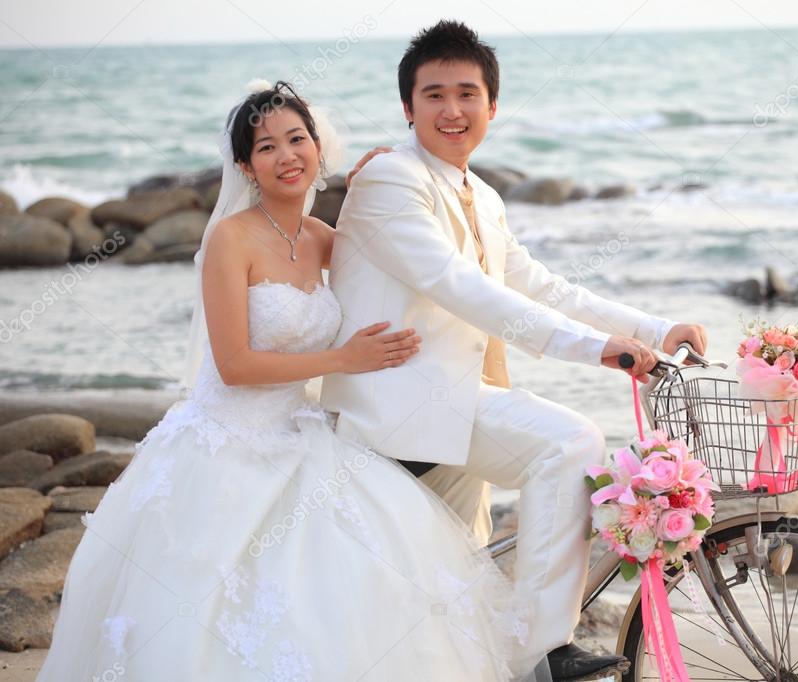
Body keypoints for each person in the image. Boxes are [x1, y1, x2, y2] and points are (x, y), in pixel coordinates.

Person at [37, 81, 547, 682]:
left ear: (317, 149)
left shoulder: (321, 239)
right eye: (267, 146)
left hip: (302, 433)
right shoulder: (231, 239)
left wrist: (385, 177)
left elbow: (407, 266)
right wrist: (346, 360)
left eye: (297, 140)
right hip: (224, 444)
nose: (287, 156)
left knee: (358, 583)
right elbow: (236, 365)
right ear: (246, 166)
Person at [322, 21, 709, 681]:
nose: (452, 110)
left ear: (492, 107)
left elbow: (538, 284)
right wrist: (593, 350)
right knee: (569, 444)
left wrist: (653, 327)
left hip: (458, 401)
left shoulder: (483, 195)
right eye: (434, 95)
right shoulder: (391, 180)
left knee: (449, 603)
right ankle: (545, 654)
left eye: (467, 94)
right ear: (407, 107)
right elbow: (461, 287)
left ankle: (514, 654)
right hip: (403, 405)